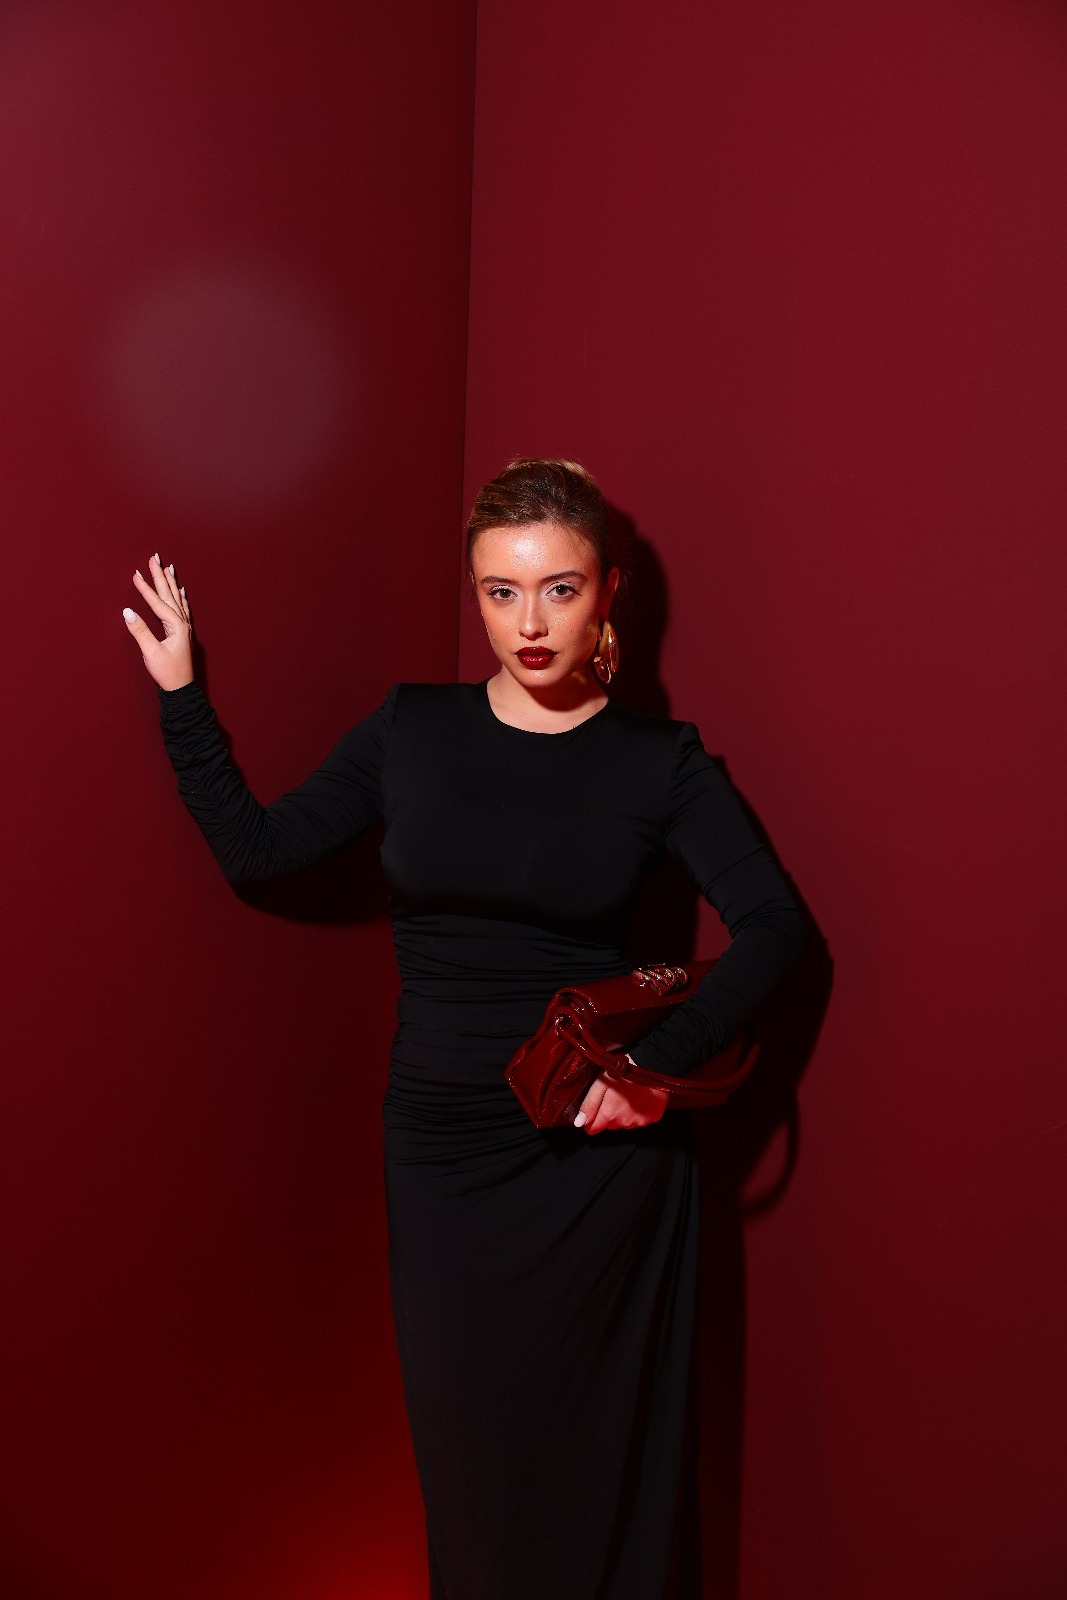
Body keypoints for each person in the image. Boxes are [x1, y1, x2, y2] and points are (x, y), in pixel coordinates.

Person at [122, 457, 808, 1600]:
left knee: (598, 1472)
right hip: (440, 1152)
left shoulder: (660, 763)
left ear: (607, 591)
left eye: (557, 589)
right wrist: (182, 695)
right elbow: (259, 850)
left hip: (594, 1165)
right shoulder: (412, 729)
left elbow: (779, 930)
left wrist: (652, 1067)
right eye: (500, 591)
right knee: (474, 1476)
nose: (527, 624)